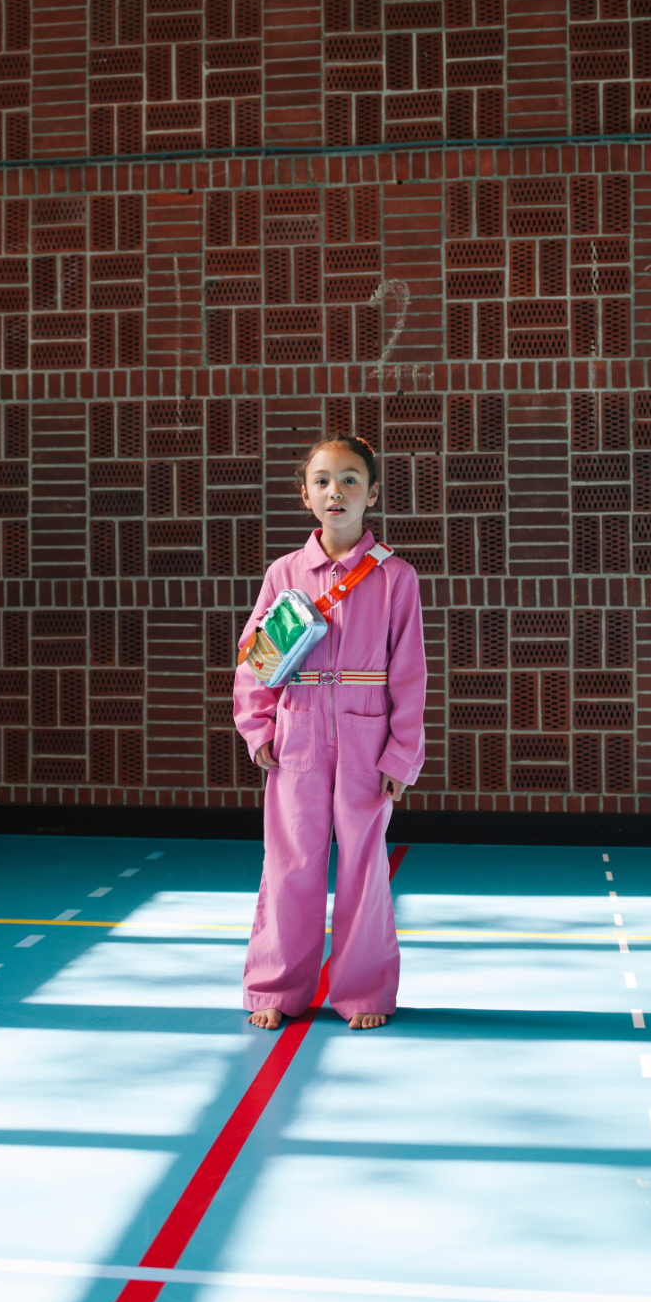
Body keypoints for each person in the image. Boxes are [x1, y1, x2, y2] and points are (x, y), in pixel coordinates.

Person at [233, 432, 426, 1031]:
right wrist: (256, 724)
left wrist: (401, 756)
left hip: (368, 736)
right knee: (290, 861)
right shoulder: (284, 572)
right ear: (305, 496)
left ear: (372, 493)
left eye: (349, 479)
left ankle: (362, 989)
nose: (334, 490)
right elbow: (256, 657)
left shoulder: (396, 577)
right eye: (322, 480)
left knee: (364, 864)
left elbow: (411, 671)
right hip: (297, 733)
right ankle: (277, 986)